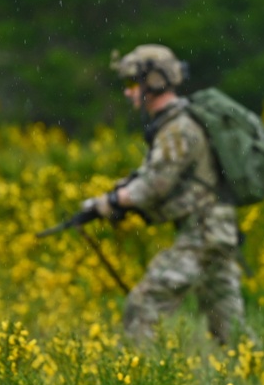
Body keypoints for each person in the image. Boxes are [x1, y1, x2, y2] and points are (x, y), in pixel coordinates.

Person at [82, 44, 246, 345]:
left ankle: (139, 382)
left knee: (144, 304)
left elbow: (155, 185)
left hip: (204, 233)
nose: (128, 92)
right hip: (215, 230)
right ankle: (258, 377)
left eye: (133, 84)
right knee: (229, 324)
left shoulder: (177, 129)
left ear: (153, 83)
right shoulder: (177, 124)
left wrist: (111, 202)